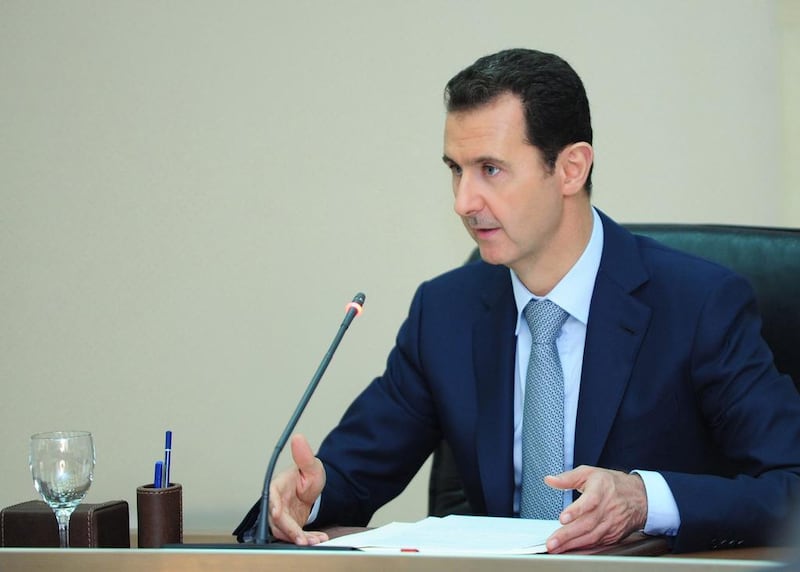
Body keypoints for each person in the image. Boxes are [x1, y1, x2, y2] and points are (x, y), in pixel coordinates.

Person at [235, 48, 800, 554]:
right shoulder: (445, 312)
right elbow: (351, 474)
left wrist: (645, 499)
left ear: (571, 169)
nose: (462, 200)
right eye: (455, 171)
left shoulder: (698, 303)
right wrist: (308, 498)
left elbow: (789, 484)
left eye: (490, 170)